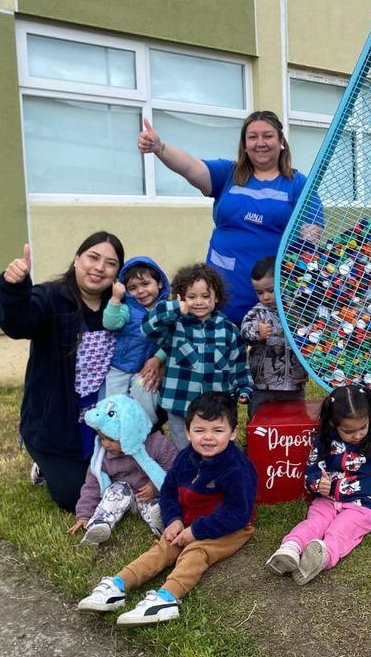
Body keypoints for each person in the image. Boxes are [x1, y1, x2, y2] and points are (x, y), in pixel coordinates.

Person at [77, 392, 256, 626]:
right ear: (188, 432)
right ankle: (118, 585)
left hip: (229, 527)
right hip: (188, 522)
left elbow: (237, 512)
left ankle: (166, 598)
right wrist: (173, 520)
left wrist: (195, 532)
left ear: (233, 433)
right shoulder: (185, 458)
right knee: (163, 547)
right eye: (200, 431)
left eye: (218, 431)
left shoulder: (237, 468)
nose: (208, 438)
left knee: (196, 552)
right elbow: (169, 490)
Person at [137, 111, 324, 325]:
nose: (260, 142)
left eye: (268, 136)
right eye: (252, 137)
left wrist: (303, 264)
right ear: (244, 144)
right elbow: (190, 167)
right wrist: (160, 148)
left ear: (281, 141)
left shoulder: (298, 183)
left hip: (269, 299)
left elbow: (311, 232)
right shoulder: (229, 174)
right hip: (219, 295)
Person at [0, 232, 125, 511]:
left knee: (116, 478)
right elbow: (19, 323)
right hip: (54, 423)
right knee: (75, 496)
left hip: (98, 416)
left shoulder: (118, 308)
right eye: (93, 257)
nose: (100, 267)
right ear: (77, 259)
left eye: (110, 263)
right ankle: (43, 465)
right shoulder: (51, 297)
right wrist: (13, 289)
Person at [265, 385, 371, 585]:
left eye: (362, 427)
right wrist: (317, 485)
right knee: (314, 523)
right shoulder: (324, 440)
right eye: (348, 431)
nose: (357, 435)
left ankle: (322, 557)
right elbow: (312, 469)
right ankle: (290, 548)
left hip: (366, 502)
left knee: (342, 529)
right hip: (329, 498)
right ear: (333, 424)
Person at [141, 264, 253, 452]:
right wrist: (176, 308)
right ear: (181, 297)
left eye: (205, 296)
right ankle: (188, 479)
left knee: (217, 452)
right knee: (185, 452)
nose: (198, 302)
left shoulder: (229, 330)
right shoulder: (174, 326)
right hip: (180, 405)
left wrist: (244, 388)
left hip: (217, 409)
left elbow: (238, 364)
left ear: (216, 297)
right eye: (191, 297)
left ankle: (217, 479)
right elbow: (148, 327)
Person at [71, 394, 178, 547]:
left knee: (155, 506)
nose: (106, 444)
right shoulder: (103, 456)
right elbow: (92, 485)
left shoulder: (155, 444)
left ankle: (160, 520)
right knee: (117, 489)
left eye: (111, 439)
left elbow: (172, 466)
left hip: (146, 495)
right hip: (122, 498)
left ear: (130, 432)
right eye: (102, 438)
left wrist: (154, 488)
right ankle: (100, 523)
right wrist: (84, 514)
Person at [102, 256, 170, 426]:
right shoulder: (127, 309)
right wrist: (115, 299)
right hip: (120, 367)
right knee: (113, 401)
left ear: (159, 283)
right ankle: (115, 430)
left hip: (144, 370)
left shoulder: (166, 311)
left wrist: (159, 358)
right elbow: (110, 323)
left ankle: (145, 427)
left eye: (145, 284)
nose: (140, 291)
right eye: (132, 288)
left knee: (145, 391)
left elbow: (171, 340)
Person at [239, 255, 308, 419]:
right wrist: (258, 332)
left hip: (294, 383)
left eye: (271, 290)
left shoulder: (296, 312)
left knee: (294, 419)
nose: (266, 297)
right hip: (264, 384)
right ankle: (255, 444)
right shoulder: (257, 312)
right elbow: (244, 331)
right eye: (260, 292)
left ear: (283, 284)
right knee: (259, 419)